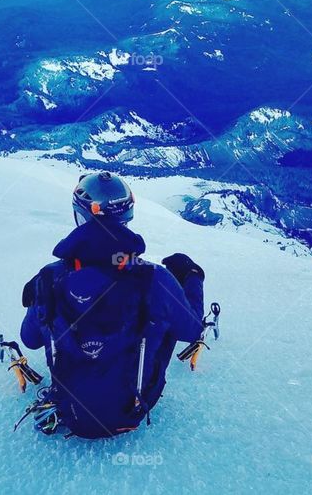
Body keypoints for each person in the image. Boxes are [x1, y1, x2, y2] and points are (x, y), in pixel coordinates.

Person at [20, 171, 206, 438]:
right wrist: (191, 277)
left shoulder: (49, 278)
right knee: (162, 320)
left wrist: (39, 299)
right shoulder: (154, 279)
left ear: (79, 216)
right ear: (126, 218)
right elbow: (192, 330)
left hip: (68, 410)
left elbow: (30, 339)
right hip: (132, 410)